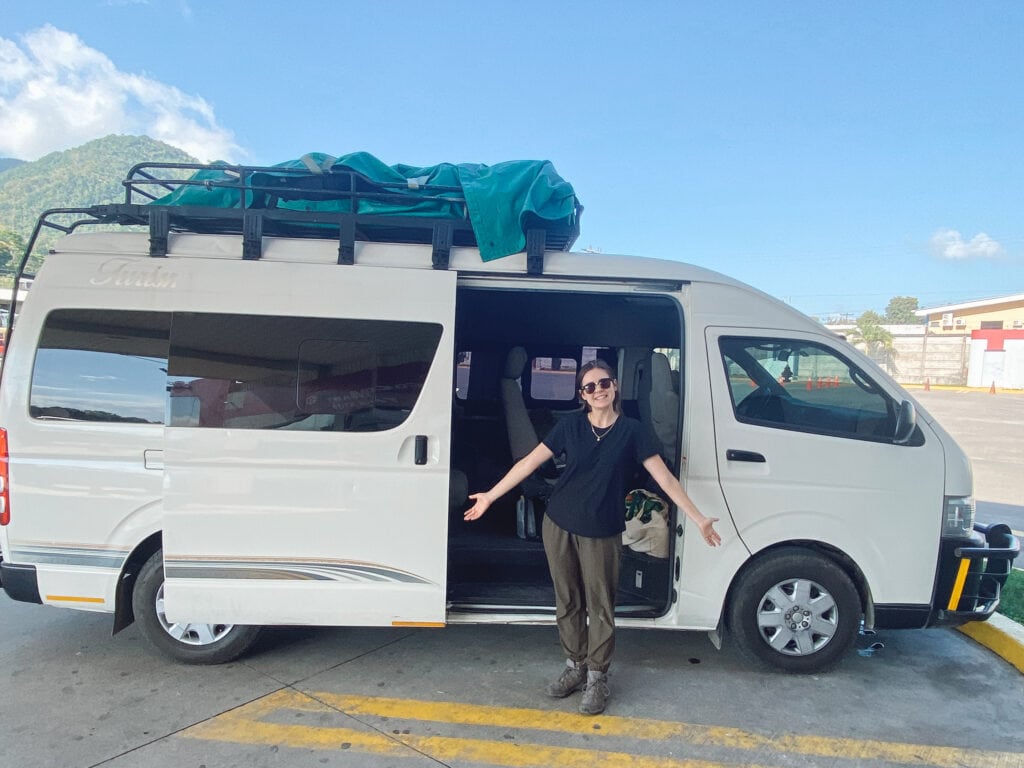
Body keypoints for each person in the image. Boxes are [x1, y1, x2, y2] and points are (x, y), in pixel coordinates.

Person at [464, 359, 721, 715]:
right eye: (589, 387)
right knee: (567, 601)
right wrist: (491, 496)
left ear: (614, 387)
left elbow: (666, 480)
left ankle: (598, 676)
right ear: (582, 395)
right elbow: (528, 464)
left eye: (603, 384)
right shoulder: (570, 426)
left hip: (602, 531)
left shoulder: (633, 431)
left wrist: (698, 519)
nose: (598, 391)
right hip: (559, 524)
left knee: (600, 606)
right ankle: (575, 667)